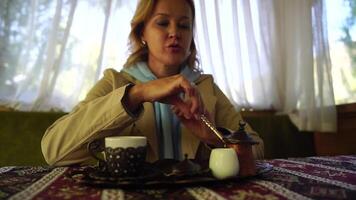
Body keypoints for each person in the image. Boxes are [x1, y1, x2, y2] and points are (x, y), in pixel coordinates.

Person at [41, 0, 264, 166]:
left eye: (184, 26)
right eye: (163, 23)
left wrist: (214, 139)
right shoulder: (114, 82)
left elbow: (258, 151)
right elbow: (54, 150)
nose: (175, 33)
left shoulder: (206, 87)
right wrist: (136, 95)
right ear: (142, 34)